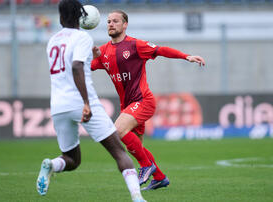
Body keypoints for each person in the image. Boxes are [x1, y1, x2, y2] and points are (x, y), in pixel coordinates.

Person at [37, 1, 146, 201]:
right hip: (81, 103)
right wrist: (86, 103)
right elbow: (77, 66)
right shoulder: (82, 37)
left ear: (60, 17)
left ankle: (51, 164)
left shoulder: (52, 40)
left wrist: (93, 54)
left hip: (58, 106)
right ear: (80, 17)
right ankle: (137, 197)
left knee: (72, 159)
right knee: (119, 153)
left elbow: (69, 61)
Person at [91, 10, 206, 190]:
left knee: (118, 130)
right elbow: (86, 67)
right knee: (134, 147)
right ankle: (159, 177)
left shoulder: (136, 45)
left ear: (125, 25)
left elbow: (161, 50)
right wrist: (92, 55)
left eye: (115, 21)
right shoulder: (104, 51)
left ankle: (146, 166)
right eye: (108, 21)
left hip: (143, 100)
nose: (111, 24)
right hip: (128, 105)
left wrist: (186, 56)